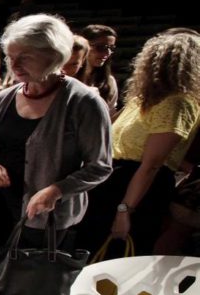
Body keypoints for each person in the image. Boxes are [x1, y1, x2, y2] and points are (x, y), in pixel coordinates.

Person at [0, 14, 112, 251]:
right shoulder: (4, 98)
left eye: (25, 57)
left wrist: (56, 190)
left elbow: (100, 166)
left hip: (45, 221)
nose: (14, 65)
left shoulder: (84, 102)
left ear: (53, 55)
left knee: (31, 284)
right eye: (10, 57)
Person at [78, 31, 200, 256]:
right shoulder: (141, 99)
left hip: (136, 190)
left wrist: (124, 210)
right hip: (112, 182)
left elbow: (152, 164)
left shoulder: (179, 103)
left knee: (116, 262)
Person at [75, 24, 119, 115]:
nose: (108, 53)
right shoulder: (66, 76)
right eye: (100, 47)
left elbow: (110, 117)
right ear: (85, 46)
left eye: (111, 48)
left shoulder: (109, 82)